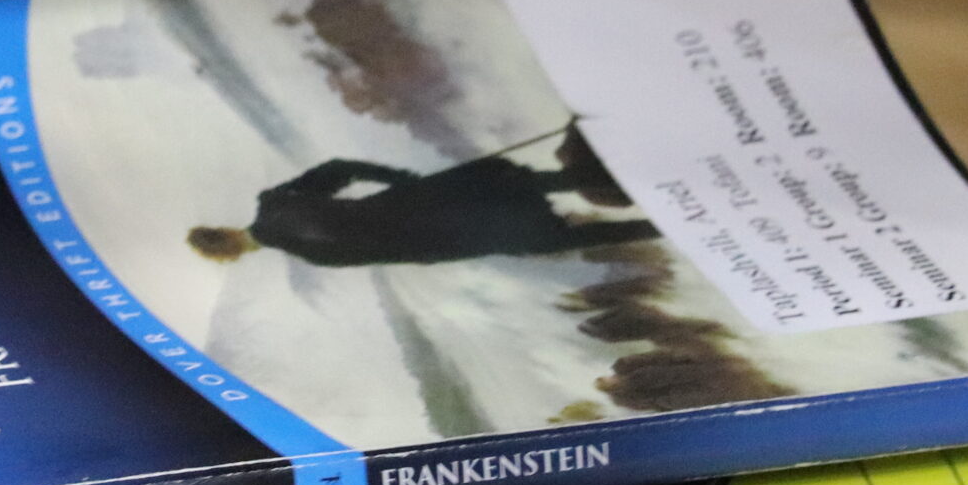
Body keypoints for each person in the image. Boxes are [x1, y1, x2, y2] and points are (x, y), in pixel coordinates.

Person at [189, 134, 657, 269]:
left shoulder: (315, 256)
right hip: (426, 198)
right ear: (227, 228)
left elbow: (404, 252)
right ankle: (647, 166)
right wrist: (402, 180)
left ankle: (660, 222)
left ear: (232, 252)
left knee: (553, 238)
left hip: (446, 234)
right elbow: (340, 167)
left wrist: (459, 248)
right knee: (536, 184)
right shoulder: (275, 201)